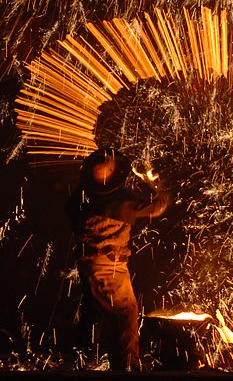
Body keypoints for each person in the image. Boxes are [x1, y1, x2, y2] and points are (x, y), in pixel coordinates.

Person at [66, 148, 169, 370]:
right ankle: (126, 370)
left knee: (103, 318)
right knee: (125, 317)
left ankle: (98, 363)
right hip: (109, 271)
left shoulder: (80, 199)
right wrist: (155, 181)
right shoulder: (122, 203)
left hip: (90, 268)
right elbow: (159, 205)